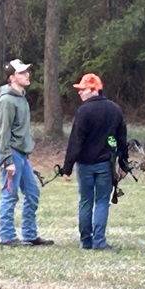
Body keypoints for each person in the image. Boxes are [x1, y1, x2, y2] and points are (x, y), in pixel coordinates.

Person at [60, 73, 129, 251]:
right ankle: (99, 241)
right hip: (105, 164)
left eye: (83, 89)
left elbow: (75, 141)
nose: (80, 93)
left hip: (84, 165)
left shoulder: (83, 112)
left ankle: (86, 241)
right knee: (102, 202)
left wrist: (67, 168)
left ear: (95, 90)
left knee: (86, 202)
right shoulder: (115, 109)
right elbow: (122, 139)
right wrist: (123, 163)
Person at [0, 58, 53, 247]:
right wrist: (7, 159)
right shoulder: (7, 101)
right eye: (21, 72)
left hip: (22, 154)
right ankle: (7, 237)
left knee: (33, 192)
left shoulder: (21, 98)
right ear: (11, 77)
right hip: (12, 154)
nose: (27, 75)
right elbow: (3, 133)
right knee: (9, 195)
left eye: (27, 71)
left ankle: (29, 234)